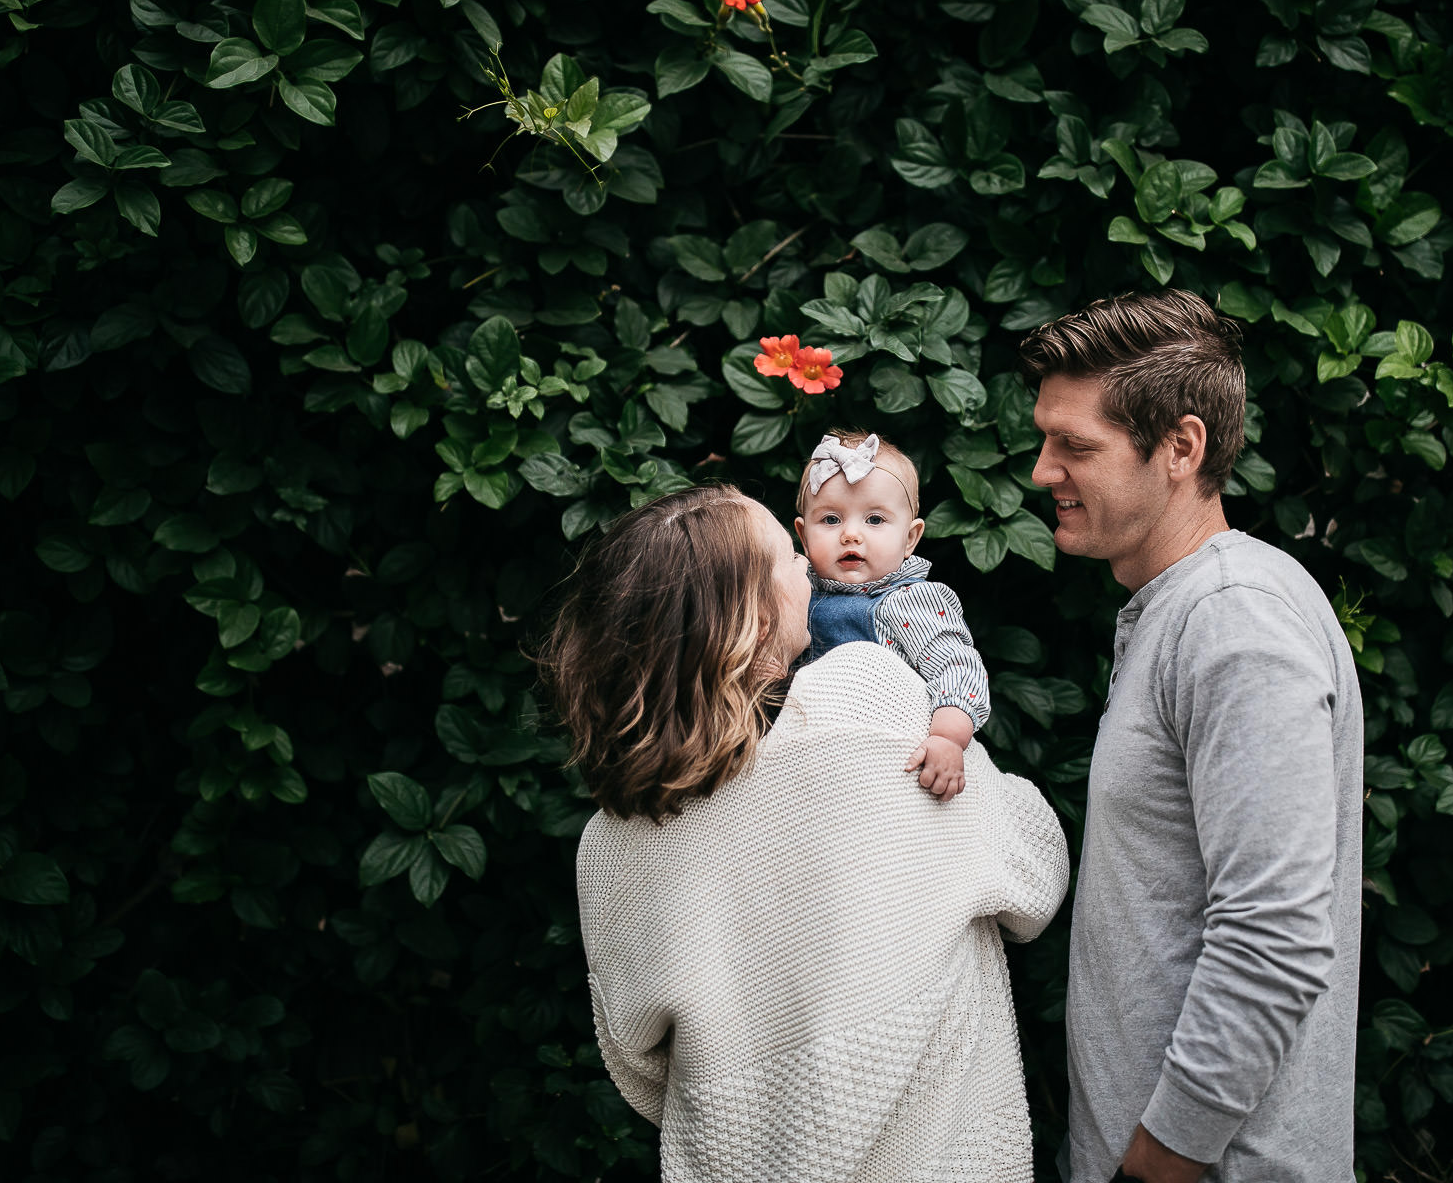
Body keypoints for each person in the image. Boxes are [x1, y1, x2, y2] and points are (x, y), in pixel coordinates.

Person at [536, 483, 1070, 1181]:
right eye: (790, 556)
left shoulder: (607, 847)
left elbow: (636, 1066)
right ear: (753, 618)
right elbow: (1031, 873)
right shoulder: (863, 696)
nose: (810, 567)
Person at [1021, 290, 1364, 1183]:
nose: (1041, 471)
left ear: (1181, 447)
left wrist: (1152, 1168)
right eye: (1046, 438)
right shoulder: (1183, 610)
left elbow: (1274, 937)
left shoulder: (1235, 626)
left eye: (1076, 447)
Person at [793, 429, 991, 801]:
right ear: (803, 537)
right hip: (817, 764)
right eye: (831, 520)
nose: (851, 534)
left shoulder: (908, 601)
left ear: (910, 538)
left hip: (892, 764)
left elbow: (958, 666)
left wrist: (947, 738)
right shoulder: (797, 594)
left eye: (875, 520)